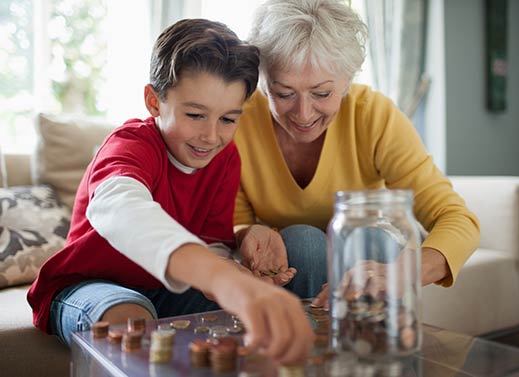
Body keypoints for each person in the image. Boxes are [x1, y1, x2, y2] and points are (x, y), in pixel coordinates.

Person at [27, 18, 314, 364]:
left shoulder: (225, 160)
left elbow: (212, 241)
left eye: (228, 119)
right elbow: (123, 210)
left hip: (166, 290)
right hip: (89, 285)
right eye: (195, 114)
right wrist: (220, 278)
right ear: (153, 101)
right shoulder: (130, 146)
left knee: (248, 316)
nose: (211, 136)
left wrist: (232, 269)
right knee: (131, 318)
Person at [233, 0, 480, 305]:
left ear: (347, 80)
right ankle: (302, 347)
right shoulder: (239, 119)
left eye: (322, 93)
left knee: (366, 238)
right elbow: (237, 222)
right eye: (284, 94)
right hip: (296, 261)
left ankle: (368, 347)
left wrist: (403, 273)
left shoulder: (373, 115)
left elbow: (457, 219)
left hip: (367, 252)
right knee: (304, 242)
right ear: (263, 83)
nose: (303, 113)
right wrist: (249, 233)